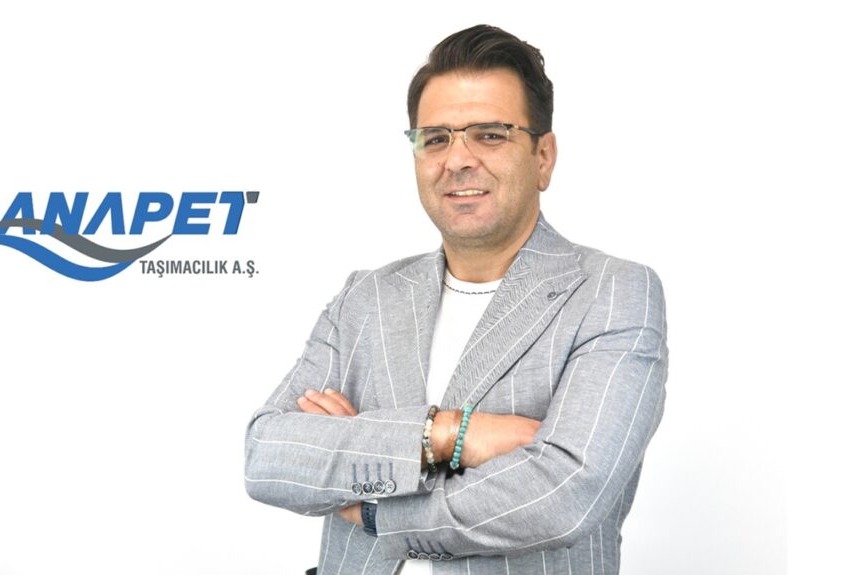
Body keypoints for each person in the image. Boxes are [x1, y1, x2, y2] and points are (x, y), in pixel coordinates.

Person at [244, 24, 668, 575]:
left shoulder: (612, 293)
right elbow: (268, 456)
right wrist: (446, 434)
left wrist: (373, 507)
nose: (458, 160)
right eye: (436, 138)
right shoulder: (365, 298)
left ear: (543, 156)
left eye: (490, 134)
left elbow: (564, 493)